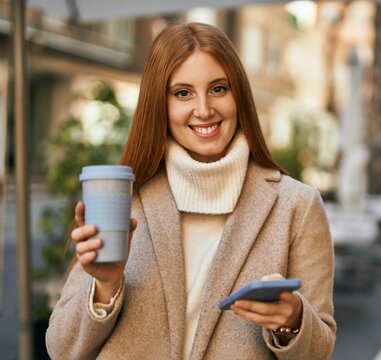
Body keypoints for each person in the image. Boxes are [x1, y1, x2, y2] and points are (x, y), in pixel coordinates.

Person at [46, 21, 336, 360]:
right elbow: (61, 350)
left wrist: (292, 320)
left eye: (218, 89)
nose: (203, 109)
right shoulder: (123, 200)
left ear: (239, 95)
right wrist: (106, 286)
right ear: (161, 104)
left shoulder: (297, 206)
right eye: (183, 93)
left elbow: (320, 350)